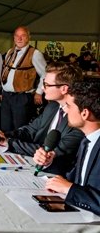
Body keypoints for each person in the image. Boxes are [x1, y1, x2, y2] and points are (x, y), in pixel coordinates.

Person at [0, 62, 84, 175]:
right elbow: (30, 130)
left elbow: (52, 151)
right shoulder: (52, 107)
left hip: (57, 173)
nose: (42, 88)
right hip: (34, 164)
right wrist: (2, 135)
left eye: (46, 84)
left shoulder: (79, 119)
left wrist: (8, 143)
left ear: (64, 88)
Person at [45, 81, 100, 215]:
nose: (65, 110)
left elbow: (72, 186)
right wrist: (49, 162)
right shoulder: (86, 140)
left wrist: (69, 189)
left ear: (85, 113)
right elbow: (74, 177)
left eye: (69, 106)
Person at [0, 26, 46, 132]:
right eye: (17, 36)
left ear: (29, 37)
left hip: (22, 97)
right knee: (5, 127)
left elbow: (45, 74)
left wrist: (39, 92)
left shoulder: (35, 54)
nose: (19, 39)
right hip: (7, 96)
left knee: (19, 127)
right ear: (14, 38)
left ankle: (19, 148)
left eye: (23, 36)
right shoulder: (10, 52)